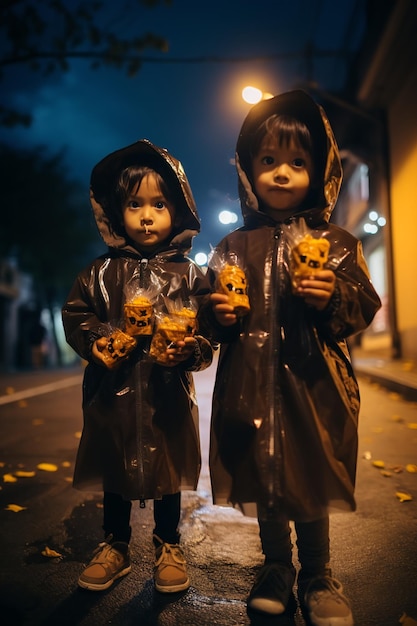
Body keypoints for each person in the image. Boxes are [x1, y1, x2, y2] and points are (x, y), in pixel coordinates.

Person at [203, 90, 381, 625]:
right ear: (248, 171)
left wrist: (333, 297)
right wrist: (219, 316)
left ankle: (319, 573)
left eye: (298, 162)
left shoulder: (338, 242)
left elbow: (362, 305)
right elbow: (207, 315)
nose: (282, 173)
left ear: (321, 170)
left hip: (314, 384)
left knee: (308, 476)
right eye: (269, 161)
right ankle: (277, 566)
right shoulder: (233, 247)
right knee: (266, 478)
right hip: (249, 384)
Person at [62, 139, 213, 594]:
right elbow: (77, 313)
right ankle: (116, 543)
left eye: (160, 204)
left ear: (179, 211)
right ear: (115, 212)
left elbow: (210, 329)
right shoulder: (98, 273)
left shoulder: (189, 275)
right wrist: (96, 343)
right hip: (113, 393)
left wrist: (192, 350)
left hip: (167, 393)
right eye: (134, 204)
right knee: (115, 467)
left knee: (168, 472)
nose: (147, 216)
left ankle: (168, 542)